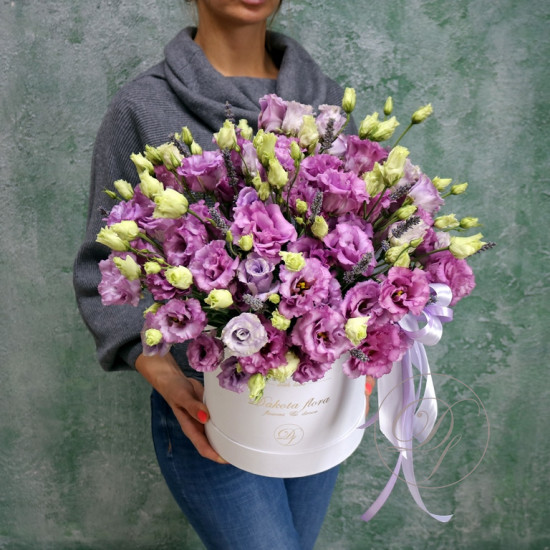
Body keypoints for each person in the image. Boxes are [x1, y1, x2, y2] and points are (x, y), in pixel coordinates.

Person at [74, 1, 362, 548]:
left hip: (314, 403)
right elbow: (101, 263)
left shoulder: (324, 101)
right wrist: (162, 373)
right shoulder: (144, 105)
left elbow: (360, 241)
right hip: (208, 406)